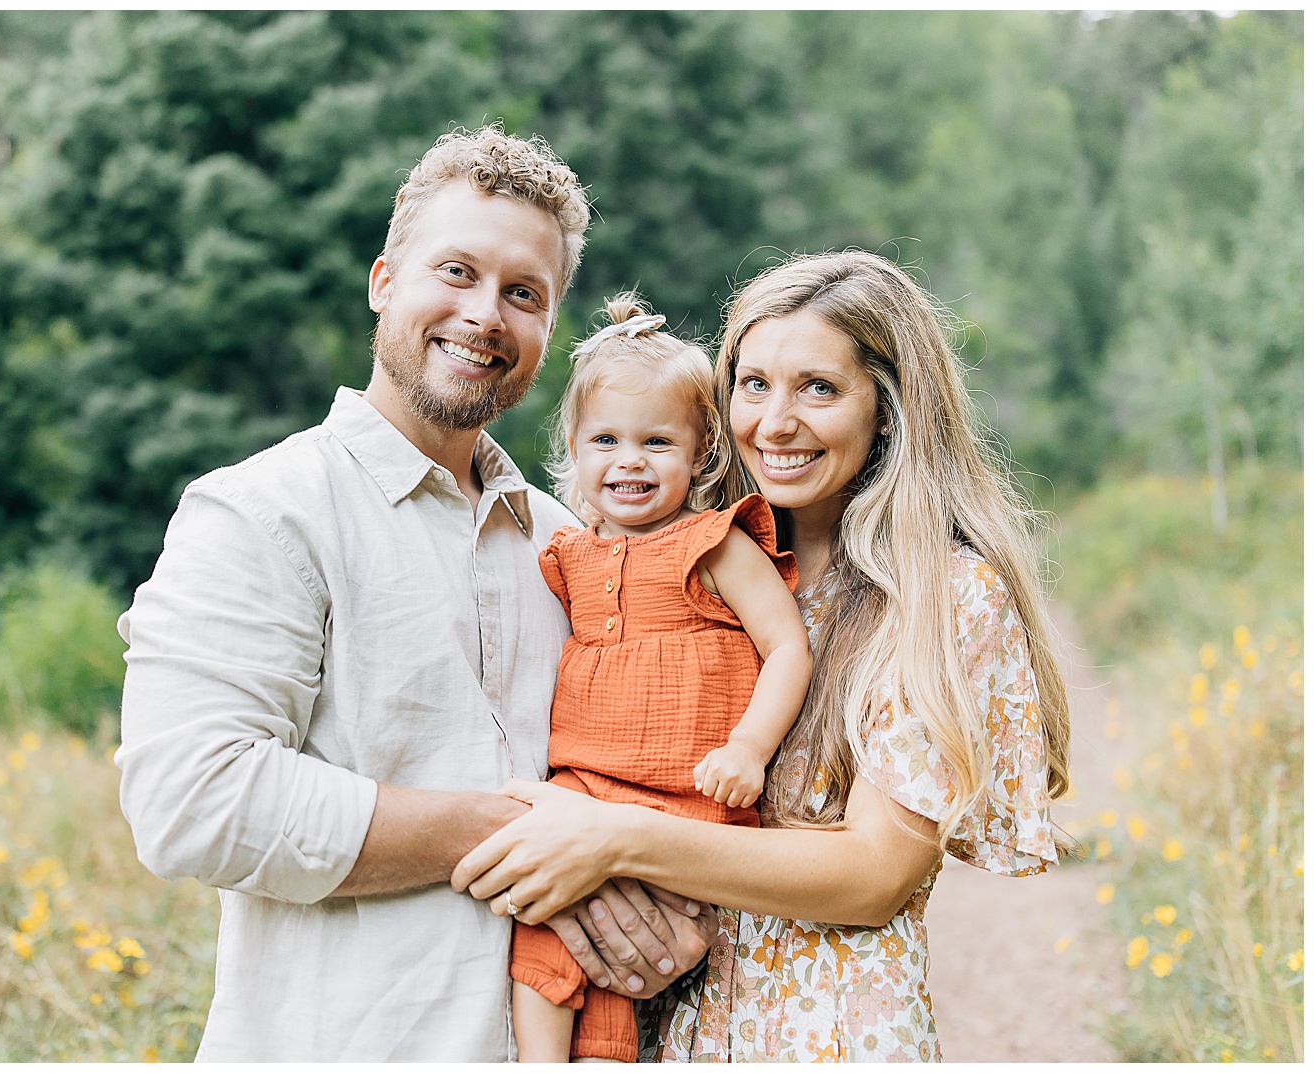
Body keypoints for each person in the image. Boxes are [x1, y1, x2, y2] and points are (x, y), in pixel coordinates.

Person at [114, 125, 711, 1063]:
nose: (486, 316)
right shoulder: (263, 512)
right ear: (384, 281)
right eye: (457, 272)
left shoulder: (570, 543)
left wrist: (652, 875)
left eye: (524, 293)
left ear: (549, 329)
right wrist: (521, 836)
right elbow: (191, 798)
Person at [453, 249, 1073, 1061]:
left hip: (828, 1031)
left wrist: (612, 836)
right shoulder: (697, 556)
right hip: (677, 1021)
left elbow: (873, 873)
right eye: (754, 384)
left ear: (887, 408)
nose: (775, 422)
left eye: (819, 388)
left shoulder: (943, 593)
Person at [509, 294, 813, 1062]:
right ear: (574, 447)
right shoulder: (564, 553)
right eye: (605, 439)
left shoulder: (714, 543)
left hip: (682, 806)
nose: (629, 460)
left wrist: (748, 747)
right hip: (584, 791)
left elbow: (786, 646)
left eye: (656, 441)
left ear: (702, 450)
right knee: (546, 939)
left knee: (628, 956)